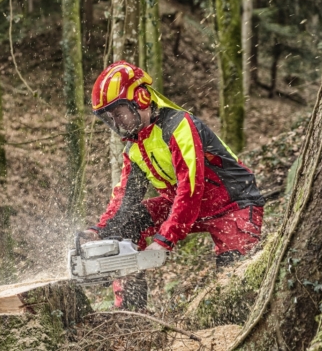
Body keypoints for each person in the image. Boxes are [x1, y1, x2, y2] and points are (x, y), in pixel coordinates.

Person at [81, 61, 265, 310]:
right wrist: (99, 231)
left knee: (234, 288)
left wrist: (165, 239)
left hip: (233, 204)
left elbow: (190, 190)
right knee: (127, 223)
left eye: (119, 112)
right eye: (109, 117)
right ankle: (128, 310)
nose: (117, 123)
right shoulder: (134, 147)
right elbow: (125, 198)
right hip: (185, 205)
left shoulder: (179, 126)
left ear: (141, 98)